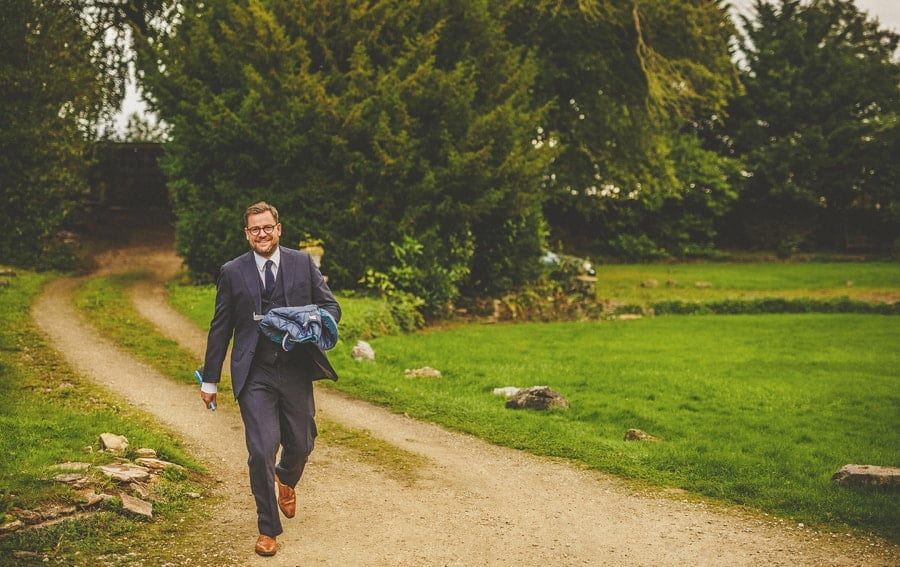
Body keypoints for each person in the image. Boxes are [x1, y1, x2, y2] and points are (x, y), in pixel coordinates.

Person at [198, 201, 340, 557]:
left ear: (279, 229)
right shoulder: (232, 271)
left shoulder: (302, 263)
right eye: (254, 229)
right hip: (254, 371)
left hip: (294, 368)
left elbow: (330, 307)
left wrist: (311, 319)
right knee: (260, 450)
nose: (261, 234)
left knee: (302, 441)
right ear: (247, 234)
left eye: (267, 227)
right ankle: (267, 529)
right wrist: (210, 380)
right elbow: (221, 328)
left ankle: (287, 478)